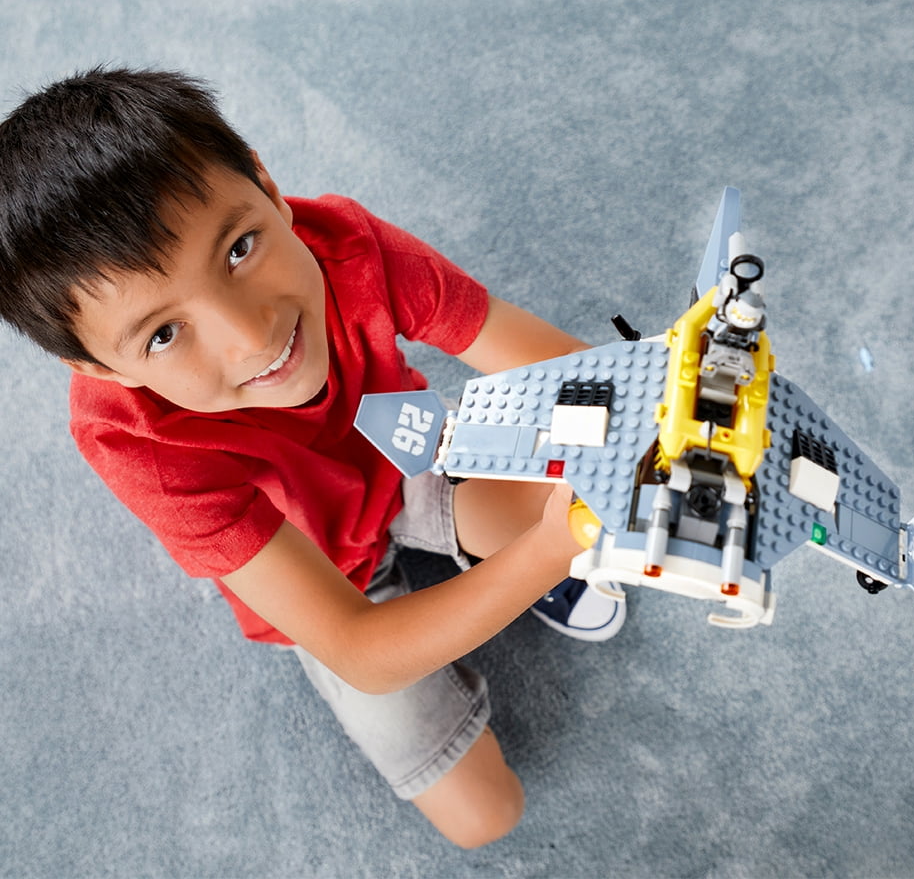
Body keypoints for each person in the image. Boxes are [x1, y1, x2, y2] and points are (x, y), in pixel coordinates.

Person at [0, 67, 626, 849]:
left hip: (404, 447)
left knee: (571, 486)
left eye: (239, 249)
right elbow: (360, 649)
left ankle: (509, 554)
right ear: (101, 369)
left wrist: (637, 416)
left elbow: (562, 369)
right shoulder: (136, 445)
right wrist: (553, 546)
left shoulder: (348, 242)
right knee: (485, 816)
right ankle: (520, 562)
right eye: (163, 335)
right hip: (322, 572)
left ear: (269, 188)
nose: (251, 335)